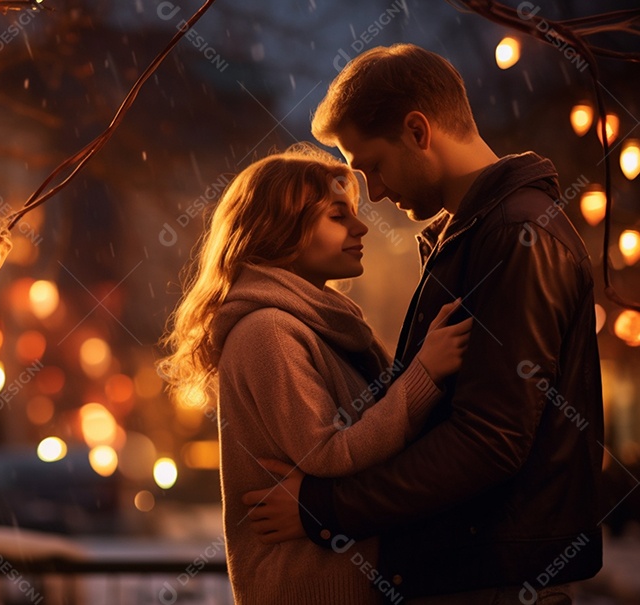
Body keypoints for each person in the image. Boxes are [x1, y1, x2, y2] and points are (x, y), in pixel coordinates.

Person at [241, 44, 604, 604]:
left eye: (373, 166)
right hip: (472, 576)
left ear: (418, 131)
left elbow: (489, 440)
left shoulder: (515, 235)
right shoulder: (473, 236)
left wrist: (325, 508)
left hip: (492, 585)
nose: (375, 193)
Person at [158, 143, 473, 604]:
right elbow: (328, 452)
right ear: (281, 230)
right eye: (337, 216)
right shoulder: (268, 331)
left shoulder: (325, 325)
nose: (361, 227)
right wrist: (424, 374)